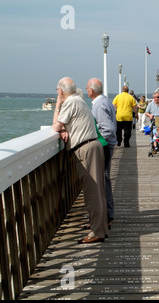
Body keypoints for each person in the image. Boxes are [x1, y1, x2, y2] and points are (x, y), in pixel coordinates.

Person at [52, 77, 108, 244]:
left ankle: (97, 231)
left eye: (57, 91)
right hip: (93, 146)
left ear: (61, 91)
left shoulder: (70, 102)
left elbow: (55, 126)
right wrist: (64, 129)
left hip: (86, 149)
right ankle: (100, 227)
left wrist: (57, 106)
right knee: (97, 190)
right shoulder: (79, 100)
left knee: (92, 192)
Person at [87, 78, 117, 229]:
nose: (87, 91)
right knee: (104, 179)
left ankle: (106, 216)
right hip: (108, 145)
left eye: (87, 88)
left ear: (91, 91)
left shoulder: (99, 105)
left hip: (104, 146)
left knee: (102, 180)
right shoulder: (106, 102)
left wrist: (99, 143)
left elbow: (108, 128)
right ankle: (106, 215)